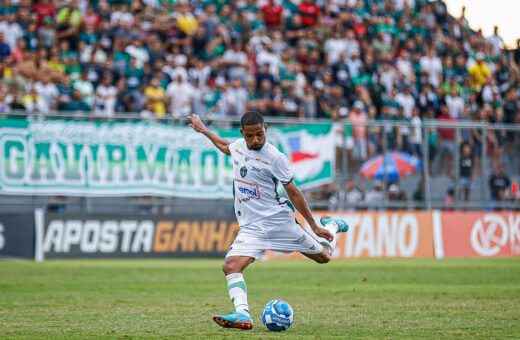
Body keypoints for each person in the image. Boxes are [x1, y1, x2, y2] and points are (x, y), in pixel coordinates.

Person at [187, 111, 349, 330]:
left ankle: (333, 225)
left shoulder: (275, 157)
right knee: (230, 266)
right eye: (250, 136)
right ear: (242, 133)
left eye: (260, 135)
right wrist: (204, 130)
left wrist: (315, 226)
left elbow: (293, 193)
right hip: (252, 228)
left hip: (278, 222)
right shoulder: (238, 147)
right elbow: (226, 147)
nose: (255, 140)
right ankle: (242, 314)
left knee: (325, 257)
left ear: (266, 130)